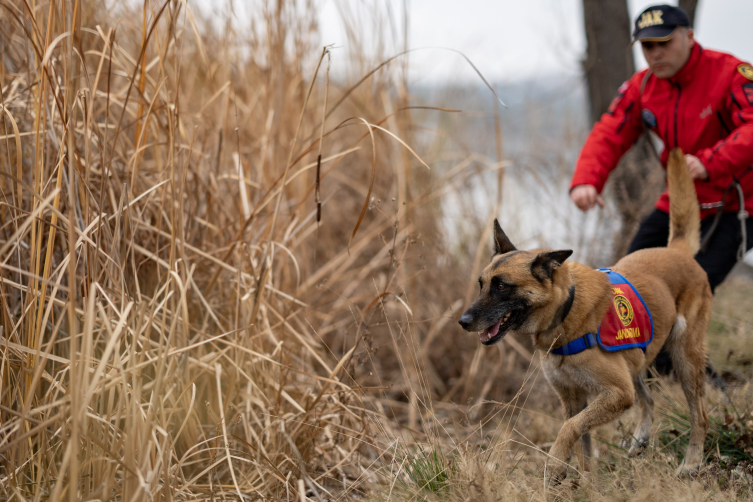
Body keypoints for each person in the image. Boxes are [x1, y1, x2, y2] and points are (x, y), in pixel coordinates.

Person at [570, 4, 753, 376]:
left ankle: (696, 379)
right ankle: (653, 372)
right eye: (646, 47)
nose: (655, 54)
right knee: (627, 283)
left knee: (691, 282)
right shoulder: (643, 87)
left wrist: (712, 160)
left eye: (664, 43)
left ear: (688, 37)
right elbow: (609, 131)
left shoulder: (731, 74)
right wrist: (587, 180)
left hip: (740, 204)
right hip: (682, 202)